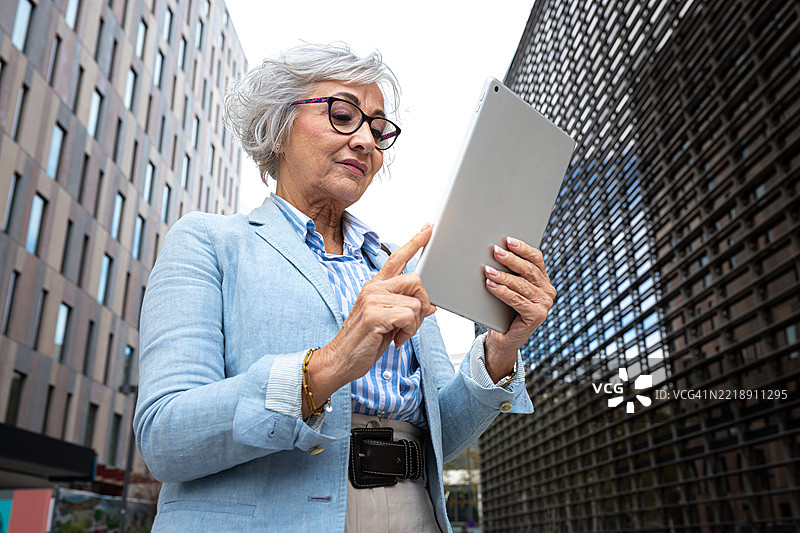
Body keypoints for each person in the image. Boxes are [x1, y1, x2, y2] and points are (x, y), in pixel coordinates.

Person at [134, 43, 556, 532]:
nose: (365, 142)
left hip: (413, 515)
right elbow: (165, 438)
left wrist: (501, 351)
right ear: (278, 128)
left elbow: (445, 436)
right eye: (342, 115)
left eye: (378, 131)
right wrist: (328, 366)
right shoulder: (210, 242)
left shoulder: (399, 267)